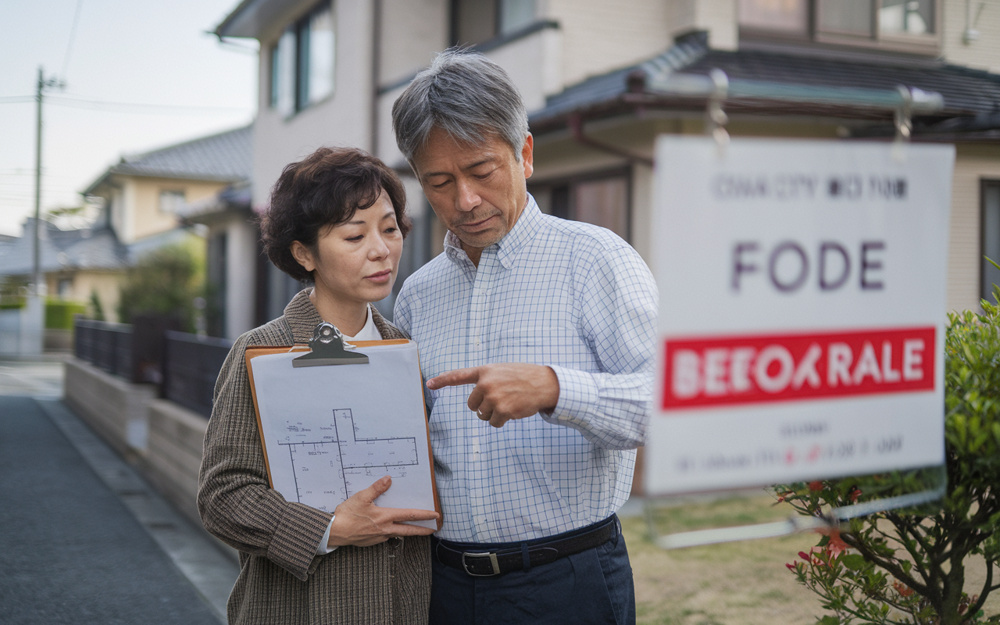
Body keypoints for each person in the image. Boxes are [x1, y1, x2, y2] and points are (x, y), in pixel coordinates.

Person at [391, 48, 658, 624]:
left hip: (569, 581)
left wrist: (555, 389)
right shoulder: (416, 294)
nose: (465, 200)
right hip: (442, 583)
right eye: (439, 182)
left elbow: (669, 403)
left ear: (525, 154)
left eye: (482, 171)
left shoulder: (597, 260)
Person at [197, 146, 439, 625]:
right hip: (296, 609)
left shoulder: (405, 349)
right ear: (304, 253)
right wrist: (329, 528)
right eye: (355, 235)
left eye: (390, 229)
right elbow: (222, 496)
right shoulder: (262, 352)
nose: (381, 250)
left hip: (401, 607)